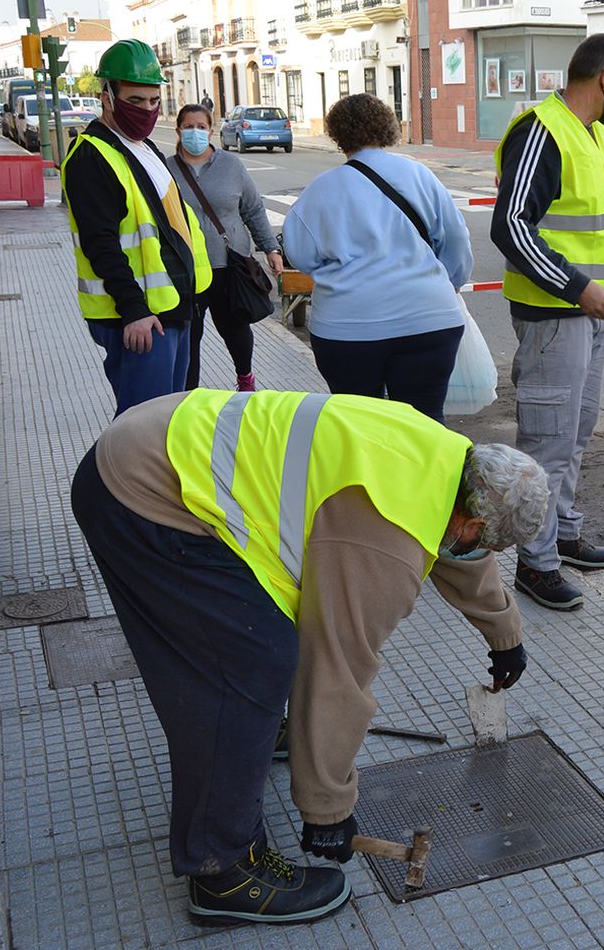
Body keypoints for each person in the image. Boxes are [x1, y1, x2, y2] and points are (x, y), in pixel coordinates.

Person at [70, 388, 549, 926]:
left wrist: (504, 631)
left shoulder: (450, 461)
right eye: (484, 542)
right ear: (475, 524)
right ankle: (224, 872)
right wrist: (328, 807)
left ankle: (253, 738)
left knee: (256, 649)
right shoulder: (383, 540)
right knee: (249, 662)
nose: (475, 551)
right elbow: (337, 666)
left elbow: (458, 547)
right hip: (145, 492)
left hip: (158, 440)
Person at [489, 33, 604, 612]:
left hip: (590, 311)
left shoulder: (598, 138)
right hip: (553, 315)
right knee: (547, 440)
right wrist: (578, 287)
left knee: (576, 431)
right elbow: (511, 227)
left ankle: (562, 533)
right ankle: (534, 564)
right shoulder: (541, 131)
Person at [283, 94, 473, 423]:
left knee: (360, 425)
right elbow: (455, 239)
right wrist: (450, 282)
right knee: (424, 423)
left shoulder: (320, 190)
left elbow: (300, 255)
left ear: (336, 134)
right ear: (386, 126)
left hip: (348, 329)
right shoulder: (419, 175)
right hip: (428, 319)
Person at [61, 39, 211, 416]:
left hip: (172, 308)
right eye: (135, 100)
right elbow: (101, 243)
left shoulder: (142, 148)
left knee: (168, 423)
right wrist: (134, 310)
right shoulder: (91, 156)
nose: (146, 110)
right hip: (142, 320)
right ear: (107, 96)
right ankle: (114, 479)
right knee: (140, 431)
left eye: (153, 101)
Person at [167, 104, 285, 392]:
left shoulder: (231, 166)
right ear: (178, 130)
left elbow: (254, 209)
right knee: (188, 335)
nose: (195, 132)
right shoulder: (165, 169)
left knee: (234, 328)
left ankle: (245, 380)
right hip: (186, 269)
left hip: (228, 264)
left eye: (201, 127)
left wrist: (270, 248)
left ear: (211, 130)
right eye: (189, 126)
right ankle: (187, 393)